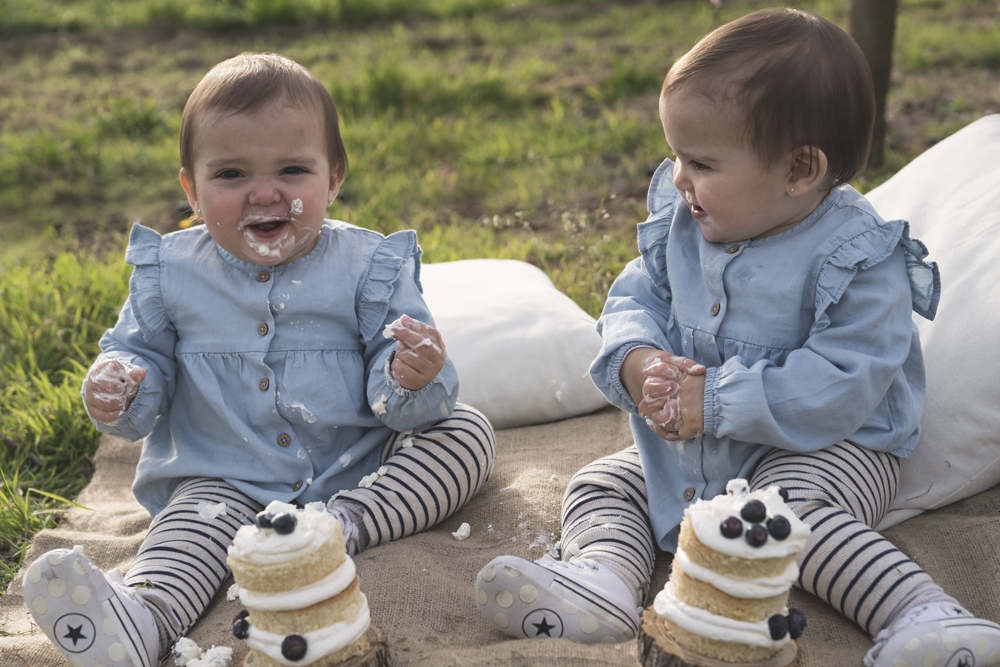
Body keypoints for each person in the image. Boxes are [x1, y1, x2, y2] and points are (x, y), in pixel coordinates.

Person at [474, 9, 1000, 666]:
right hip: (707, 438)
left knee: (785, 517)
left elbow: (846, 380)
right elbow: (638, 294)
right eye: (674, 155)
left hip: (830, 444)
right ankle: (602, 577)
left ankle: (921, 612)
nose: (677, 178)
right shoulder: (689, 222)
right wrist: (638, 359)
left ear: (800, 169)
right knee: (602, 482)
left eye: (700, 161)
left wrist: (716, 401)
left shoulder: (859, 258)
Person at [23, 52, 495, 667]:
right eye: (231, 175)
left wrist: (412, 375)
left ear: (333, 179)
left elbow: (398, 370)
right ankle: (142, 618)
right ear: (191, 189)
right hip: (224, 477)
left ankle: (337, 532)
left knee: (464, 432)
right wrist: (119, 387)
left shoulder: (367, 266)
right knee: (185, 535)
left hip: (358, 468)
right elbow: (137, 359)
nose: (265, 193)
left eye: (293, 169)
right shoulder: (168, 275)